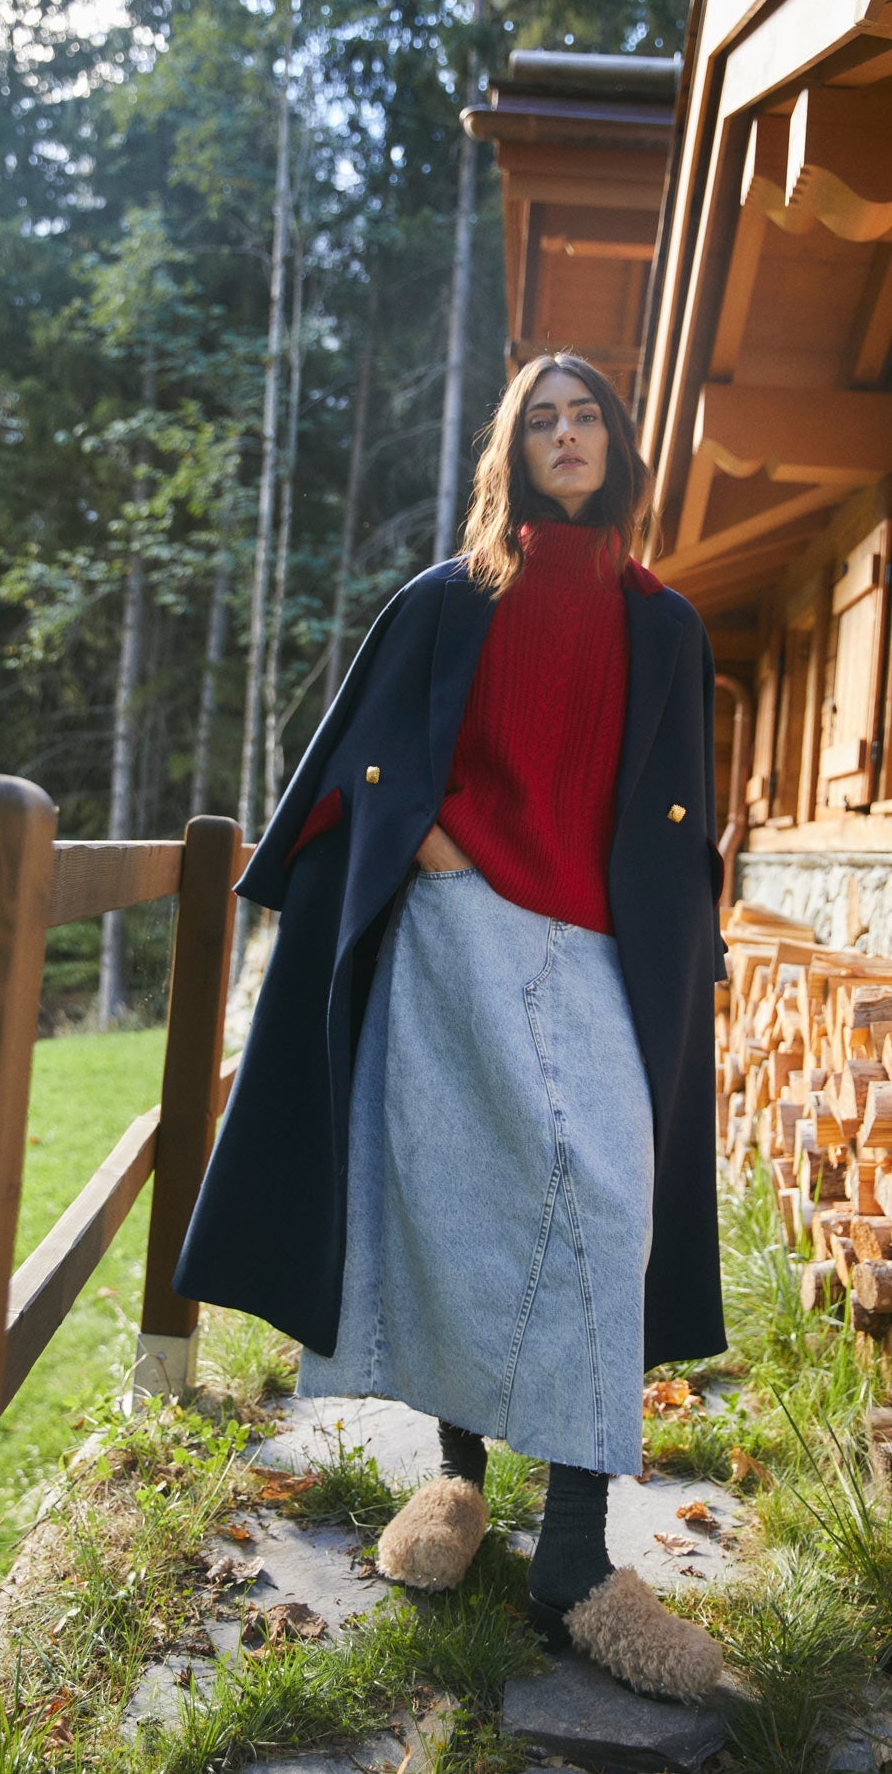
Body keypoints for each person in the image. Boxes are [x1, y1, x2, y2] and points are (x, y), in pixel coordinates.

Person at [174, 352, 728, 1703]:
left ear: (617, 443)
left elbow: (679, 809)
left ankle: (577, 1557)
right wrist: (425, 844)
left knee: (606, 1209)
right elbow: (354, 759)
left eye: (584, 415)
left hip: (604, 952)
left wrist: (687, 946)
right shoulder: (447, 598)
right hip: (457, 930)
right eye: (540, 420)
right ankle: (461, 1483)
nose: (565, 434)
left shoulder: (668, 624)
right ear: (512, 452)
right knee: (461, 1202)